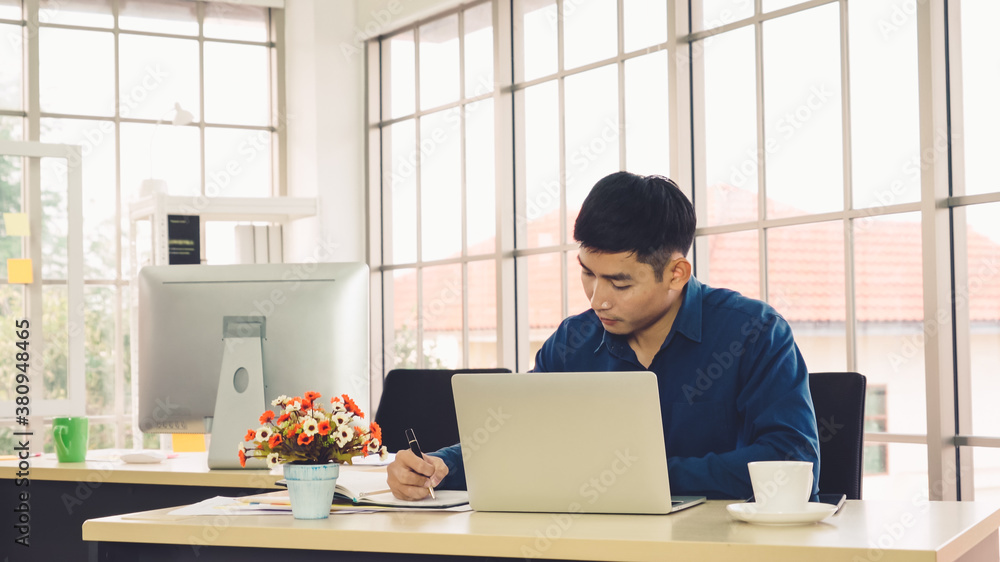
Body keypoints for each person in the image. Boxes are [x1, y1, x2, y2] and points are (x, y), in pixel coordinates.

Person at [387, 171, 820, 501]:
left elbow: (792, 461)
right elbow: (518, 437)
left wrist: (646, 476)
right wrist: (440, 465)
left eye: (619, 283)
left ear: (676, 273)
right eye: (586, 274)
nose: (597, 300)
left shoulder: (753, 333)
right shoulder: (573, 341)